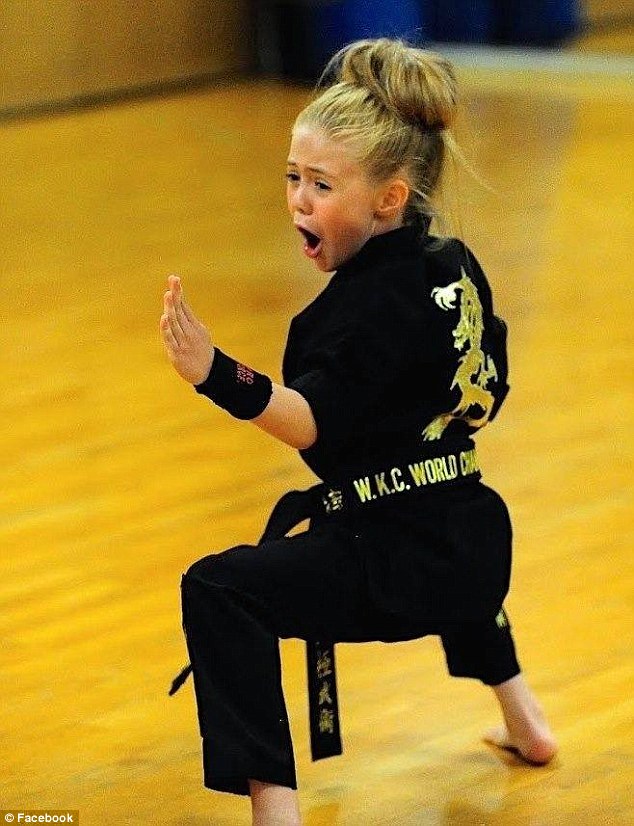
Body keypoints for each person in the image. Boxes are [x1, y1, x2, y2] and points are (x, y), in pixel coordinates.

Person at [159, 38, 557, 826]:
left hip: (391, 568)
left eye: (322, 185)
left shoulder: (363, 307)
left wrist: (214, 373)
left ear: (388, 198)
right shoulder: (454, 267)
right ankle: (527, 721)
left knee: (220, 588)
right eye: (293, 178)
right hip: (478, 549)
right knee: (438, 492)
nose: (299, 202)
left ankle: (274, 808)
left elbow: (308, 422)